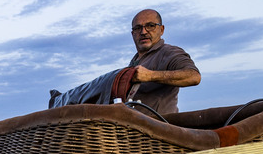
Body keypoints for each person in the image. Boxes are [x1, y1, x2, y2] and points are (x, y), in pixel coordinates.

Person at [49, 8, 201, 114]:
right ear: (132, 33)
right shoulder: (135, 61)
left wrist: (151, 76)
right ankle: (60, 102)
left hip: (159, 131)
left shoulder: (169, 53)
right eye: (138, 28)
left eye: (150, 26)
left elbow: (193, 76)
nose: (143, 32)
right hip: (133, 131)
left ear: (161, 30)